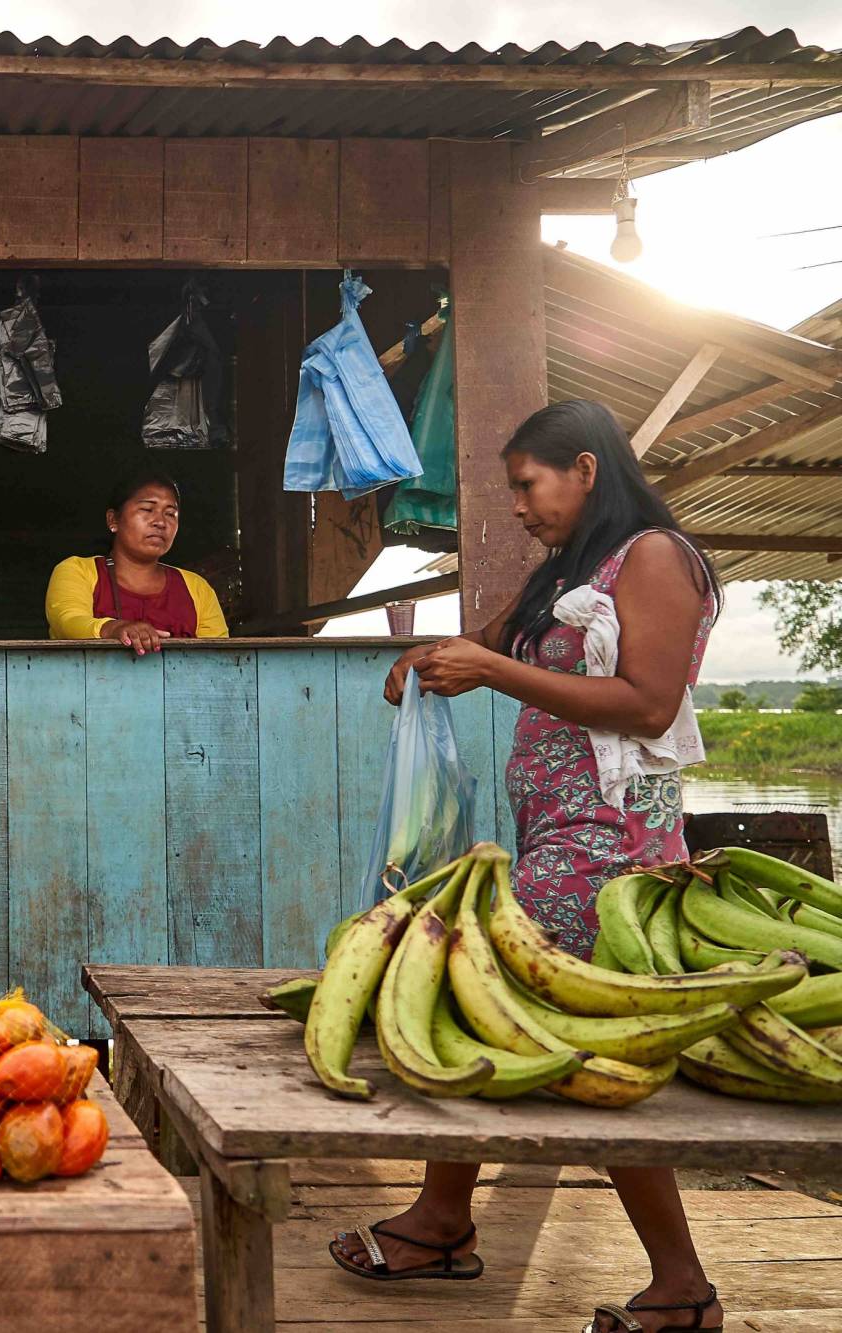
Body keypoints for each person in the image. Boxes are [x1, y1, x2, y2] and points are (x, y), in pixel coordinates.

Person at [331, 400, 724, 1333]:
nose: (516, 504)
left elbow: (649, 700)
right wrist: (424, 666)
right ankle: (660, 1279)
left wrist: (490, 672)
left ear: (584, 468)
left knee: (483, 993)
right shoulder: (567, 569)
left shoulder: (656, 556)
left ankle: (449, 1223)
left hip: (615, 846)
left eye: (526, 483)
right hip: (555, 835)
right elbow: (487, 644)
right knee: (565, 1040)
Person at [45, 470, 228, 654]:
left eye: (170, 514)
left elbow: (221, 656)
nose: (160, 522)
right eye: (147, 510)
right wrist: (115, 629)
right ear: (113, 519)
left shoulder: (196, 587)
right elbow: (67, 622)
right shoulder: (77, 571)